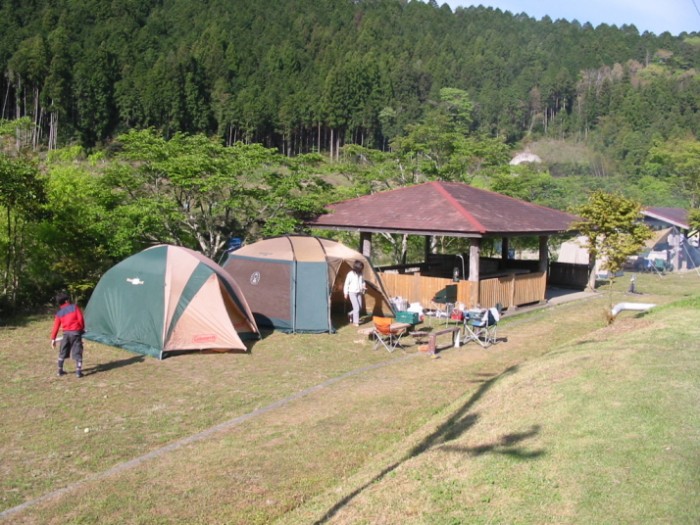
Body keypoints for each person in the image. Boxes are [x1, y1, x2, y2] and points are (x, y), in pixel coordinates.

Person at [50, 292, 85, 378]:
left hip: (66, 334)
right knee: (77, 351)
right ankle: (78, 371)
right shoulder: (74, 307)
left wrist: (53, 339)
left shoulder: (59, 313)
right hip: (76, 333)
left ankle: (60, 370)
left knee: (62, 352)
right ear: (66, 300)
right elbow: (80, 319)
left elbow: (56, 327)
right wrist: (82, 329)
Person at [343, 260, 366, 326]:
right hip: (352, 293)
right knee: (356, 308)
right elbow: (346, 284)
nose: (362, 269)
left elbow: (363, 281)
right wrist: (345, 293)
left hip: (359, 292)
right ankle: (355, 322)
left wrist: (363, 286)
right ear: (357, 267)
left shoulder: (361, 274)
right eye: (361, 267)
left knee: (360, 307)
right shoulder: (350, 274)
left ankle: (350, 314)